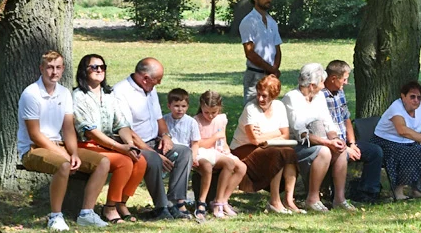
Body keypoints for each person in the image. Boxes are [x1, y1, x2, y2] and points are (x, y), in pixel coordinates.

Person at [17, 50, 110, 231]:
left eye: (58, 67)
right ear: (41, 68)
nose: (54, 72)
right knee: (64, 165)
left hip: (59, 146)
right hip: (33, 149)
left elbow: (68, 128)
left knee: (103, 162)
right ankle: (55, 217)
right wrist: (64, 155)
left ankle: (86, 213)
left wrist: (73, 152)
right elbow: (35, 135)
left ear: (63, 69)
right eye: (50, 67)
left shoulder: (64, 93)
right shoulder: (31, 94)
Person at [113, 58, 193, 220]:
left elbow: (159, 118)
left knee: (184, 152)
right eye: (158, 80)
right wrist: (152, 152)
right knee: (155, 160)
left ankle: (174, 201)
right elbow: (127, 130)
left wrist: (166, 136)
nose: (160, 83)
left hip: (153, 141)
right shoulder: (120, 92)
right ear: (145, 78)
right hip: (134, 146)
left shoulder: (150, 89)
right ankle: (161, 207)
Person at [73, 53, 148, 224]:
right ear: (84, 71)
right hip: (86, 145)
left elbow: (121, 124)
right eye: (94, 67)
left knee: (140, 160)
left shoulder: (109, 95)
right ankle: (109, 207)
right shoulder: (78, 96)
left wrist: (130, 145)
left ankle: (121, 203)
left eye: (102, 67)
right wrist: (120, 148)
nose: (99, 70)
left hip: (108, 145)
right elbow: (90, 131)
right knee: (124, 161)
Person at [282, 63, 356, 213]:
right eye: (322, 82)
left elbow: (328, 122)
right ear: (312, 85)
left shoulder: (319, 96)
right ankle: (312, 198)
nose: (323, 86)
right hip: (296, 145)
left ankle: (339, 199)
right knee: (324, 151)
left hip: (319, 141)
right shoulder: (292, 98)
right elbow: (300, 132)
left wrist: (335, 139)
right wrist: (328, 143)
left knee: (340, 150)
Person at [166, 89, 245, 220]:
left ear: (219, 108)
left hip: (216, 150)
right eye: (206, 112)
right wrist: (214, 138)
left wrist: (225, 149)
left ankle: (221, 200)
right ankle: (205, 202)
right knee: (210, 166)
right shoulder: (195, 121)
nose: (210, 116)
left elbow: (223, 139)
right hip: (202, 152)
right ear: (201, 107)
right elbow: (198, 143)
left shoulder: (221, 119)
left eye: (214, 112)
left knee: (240, 166)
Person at [231, 75, 303, 214]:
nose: (260, 99)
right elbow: (254, 140)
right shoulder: (251, 108)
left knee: (289, 153)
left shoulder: (279, 106)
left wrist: (267, 134)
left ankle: (288, 201)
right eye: (258, 95)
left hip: (267, 147)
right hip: (243, 149)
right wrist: (276, 133)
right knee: (277, 153)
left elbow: (285, 135)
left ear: (274, 96)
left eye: (264, 96)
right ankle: (274, 202)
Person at [371, 81, 421, 200]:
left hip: (408, 142)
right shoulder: (396, 107)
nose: (416, 100)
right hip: (385, 142)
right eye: (412, 96)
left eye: (419, 97)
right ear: (403, 96)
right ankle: (398, 191)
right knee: (408, 153)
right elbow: (402, 130)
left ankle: (417, 189)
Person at [322, 60, 384, 203]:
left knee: (375, 151)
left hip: (345, 143)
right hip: (331, 144)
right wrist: (345, 148)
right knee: (341, 155)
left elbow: (347, 119)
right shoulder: (321, 96)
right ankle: (337, 195)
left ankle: (368, 192)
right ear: (333, 78)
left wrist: (353, 143)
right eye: (344, 79)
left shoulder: (340, 93)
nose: (346, 82)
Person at [239, 0, 282, 103]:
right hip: (255, 75)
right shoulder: (249, 21)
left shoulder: (272, 22)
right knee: (252, 110)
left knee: (270, 110)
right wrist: (271, 69)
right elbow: (250, 53)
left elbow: (277, 49)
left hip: (271, 75)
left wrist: (274, 70)